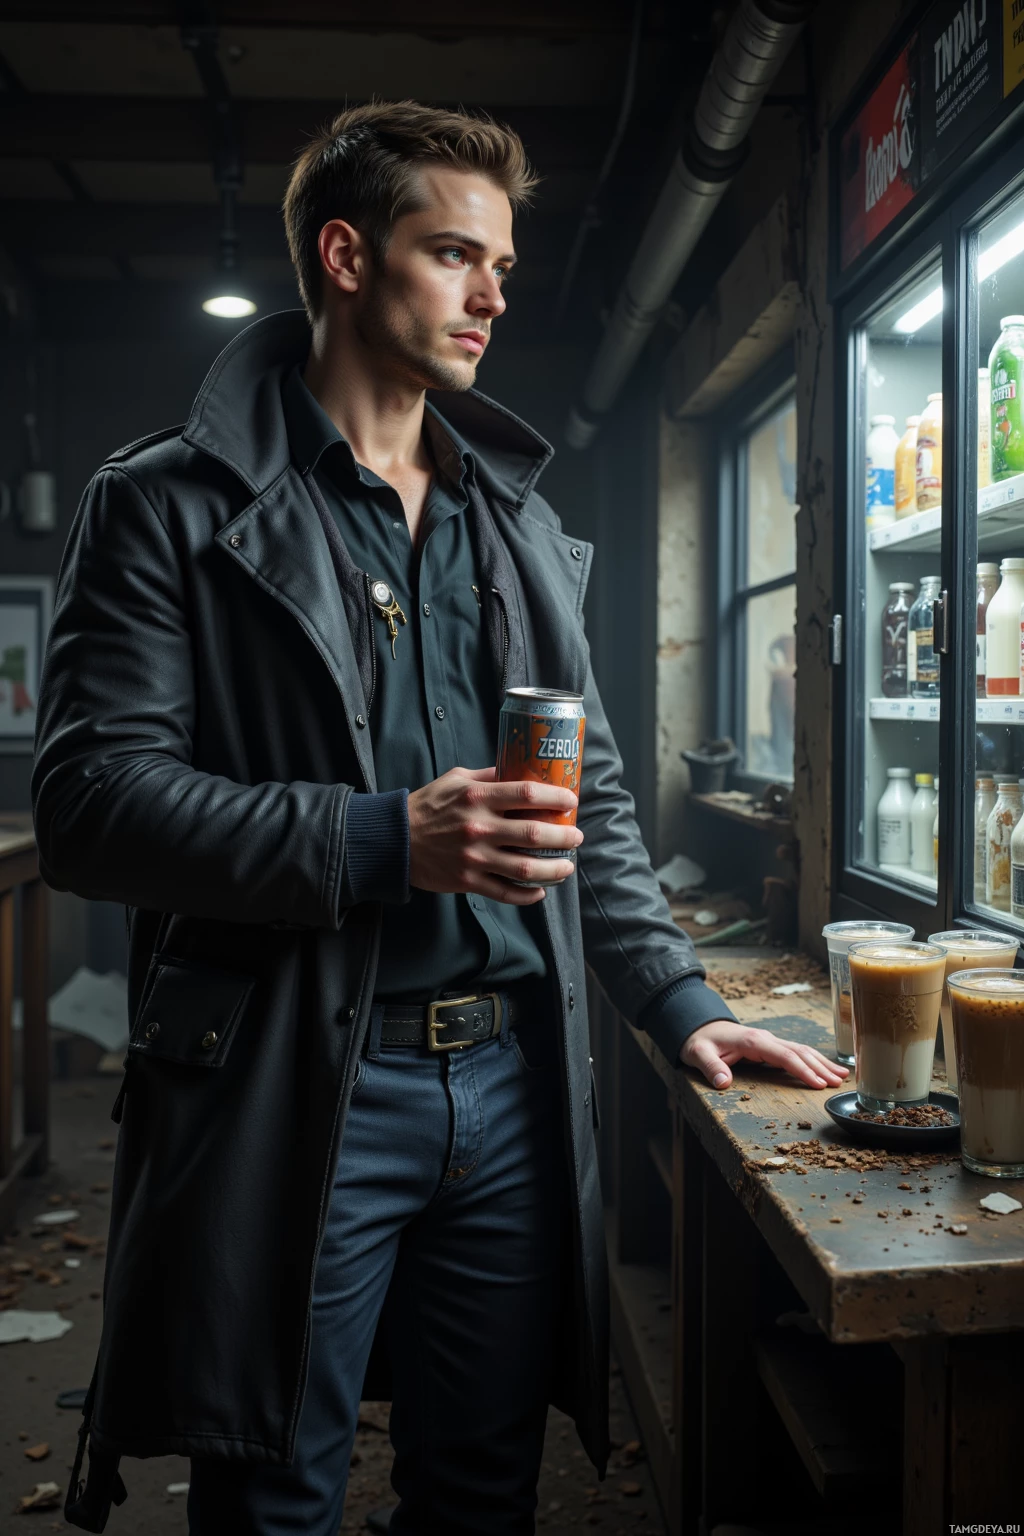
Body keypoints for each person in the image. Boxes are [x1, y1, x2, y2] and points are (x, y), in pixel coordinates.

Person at [33, 101, 848, 1536]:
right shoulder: (165, 506)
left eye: (505, 266)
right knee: (272, 1493)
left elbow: (580, 798)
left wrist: (672, 996)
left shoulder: (512, 525)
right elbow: (92, 808)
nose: (492, 296)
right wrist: (378, 839)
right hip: (298, 1084)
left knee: (482, 1492)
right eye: (454, 254)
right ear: (347, 256)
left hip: (518, 1089)